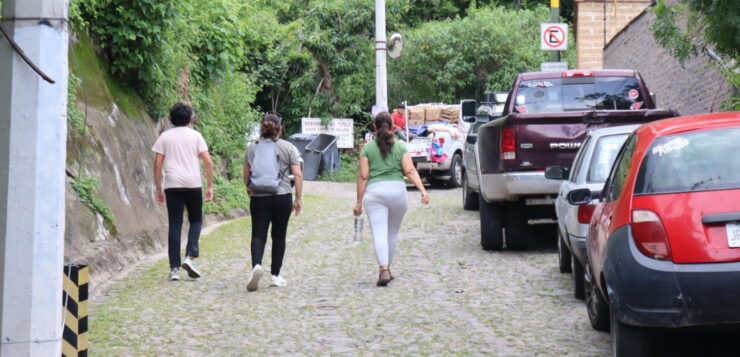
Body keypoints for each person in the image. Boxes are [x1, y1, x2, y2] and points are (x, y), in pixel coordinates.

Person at [354, 112, 430, 287]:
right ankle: (388, 268)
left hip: (375, 193)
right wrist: (423, 191)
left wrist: (358, 202)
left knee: (379, 232)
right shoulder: (401, 146)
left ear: (374, 126)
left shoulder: (367, 148)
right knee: (393, 233)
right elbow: (410, 171)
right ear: (393, 126)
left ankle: (383, 269)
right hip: (397, 192)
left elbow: (363, 176)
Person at [152, 102, 214, 281]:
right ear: (189, 118)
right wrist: (209, 186)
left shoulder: (165, 136)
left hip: (172, 184)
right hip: (193, 183)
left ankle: (174, 269)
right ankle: (190, 256)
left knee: (175, 224)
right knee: (196, 219)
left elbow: (157, 164)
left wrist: (158, 187)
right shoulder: (196, 136)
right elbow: (208, 162)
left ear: (171, 118)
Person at [243, 113, 303, 292]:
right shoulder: (287, 147)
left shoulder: (252, 147)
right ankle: (276, 276)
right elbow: (298, 174)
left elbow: (246, 174)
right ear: (279, 127)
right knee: (279, 236)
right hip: (282, 196)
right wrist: (298, 198)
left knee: (258, 234)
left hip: (259, 197)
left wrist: (249, 188)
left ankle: (256, 265)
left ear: (263, 127)